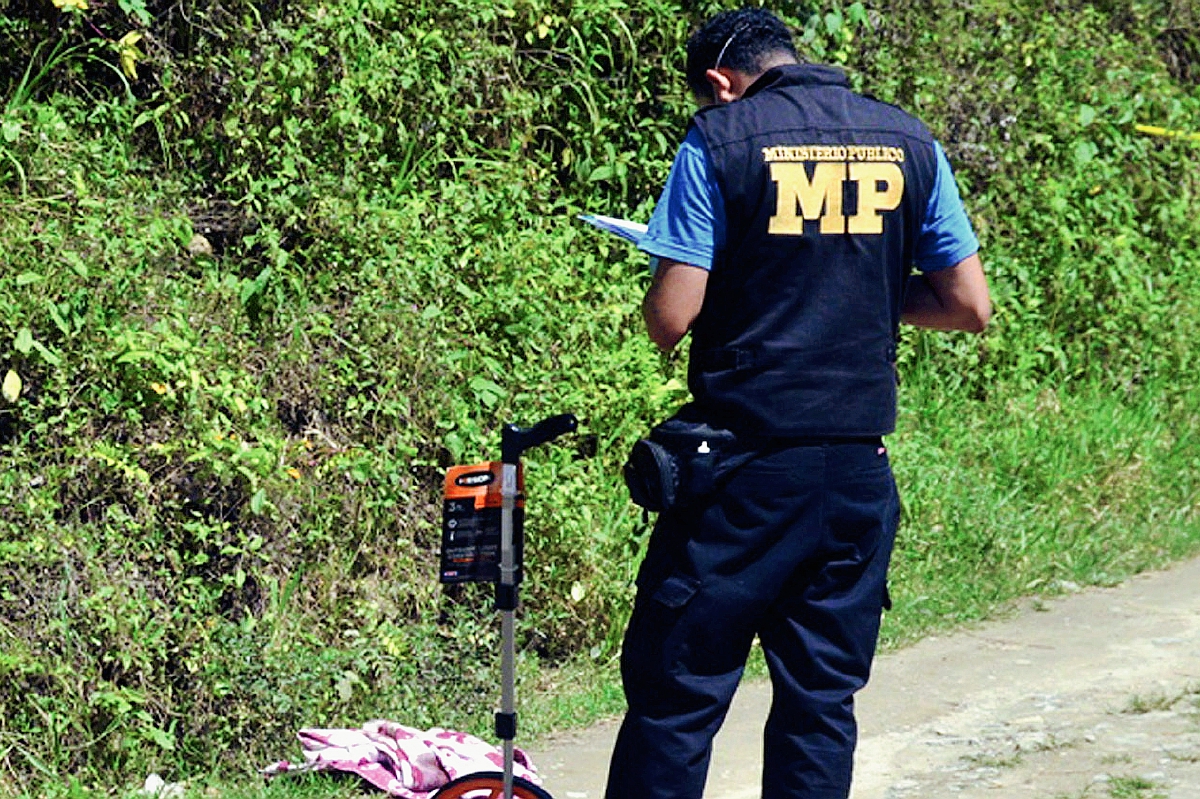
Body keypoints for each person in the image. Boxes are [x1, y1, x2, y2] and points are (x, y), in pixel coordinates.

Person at [604, 8, 990, 799]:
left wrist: (721, 279)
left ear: (720, 82)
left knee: (677, 697)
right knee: (819, 703)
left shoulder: (720, 140)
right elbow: (969, 305)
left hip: (740, 476)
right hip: (855, 476)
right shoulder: (909, 140)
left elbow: (671, 318)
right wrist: (867, 295)